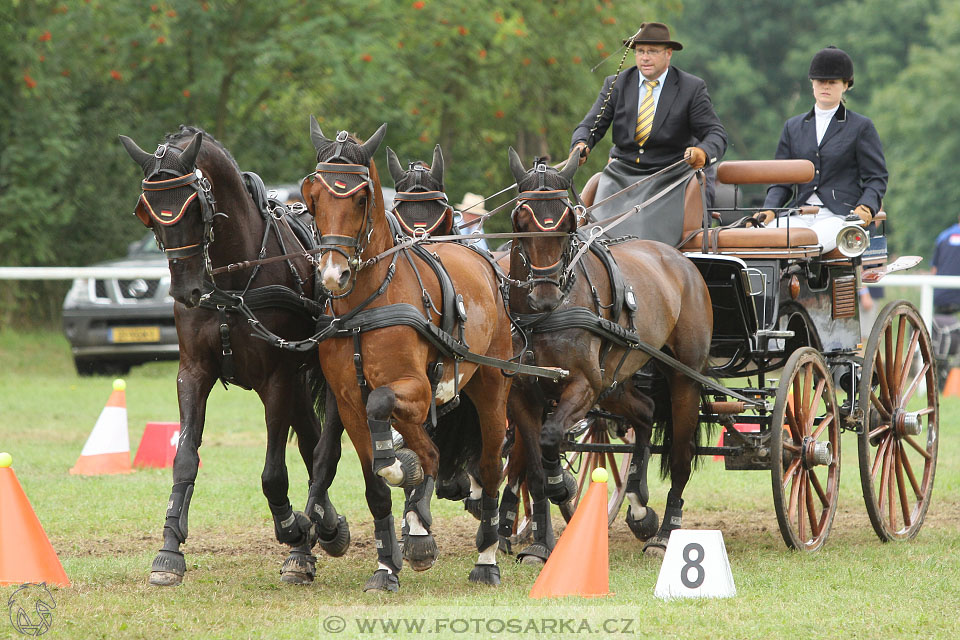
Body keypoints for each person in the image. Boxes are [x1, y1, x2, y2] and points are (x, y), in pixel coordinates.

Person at [569, 22, 726, 241]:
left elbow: (716, 134)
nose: (645, 57)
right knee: (594, 235)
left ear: (668, 54)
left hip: (670, 177)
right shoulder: (616, 83)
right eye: (640, 51)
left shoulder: (691, 88)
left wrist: (703, 153)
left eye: (652, 51)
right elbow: (590, 125)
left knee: (642, 233)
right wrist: (580, 144)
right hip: (620, 176)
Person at [757, 46, 888, 253]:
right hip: (799, 214)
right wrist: (768, 211)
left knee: (810, 241)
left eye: (832, 82)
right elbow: (781, 181)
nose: (825, 87)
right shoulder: (793, 127)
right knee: (761, 238)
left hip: (840, 215)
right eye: (820, 81)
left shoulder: (861, 127)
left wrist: (866, 207)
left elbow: (876, 177)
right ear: (812, 84)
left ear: (845, 85)